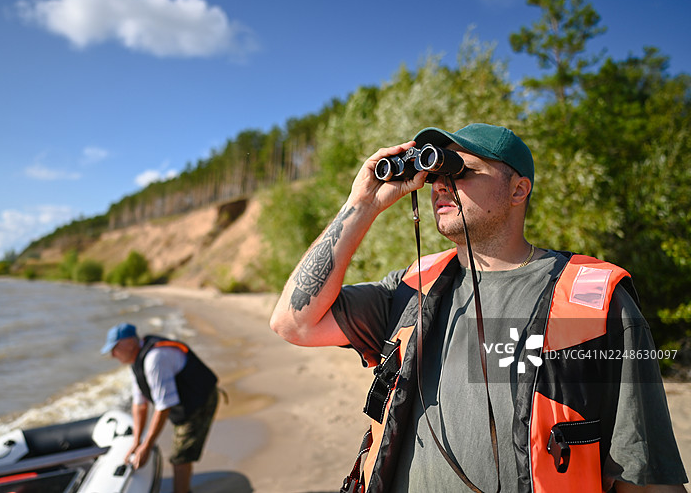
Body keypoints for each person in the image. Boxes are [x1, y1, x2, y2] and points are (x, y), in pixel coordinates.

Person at [270, 123, 688, 492]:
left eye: (459, 170)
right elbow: (294, 323)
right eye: (433, 173)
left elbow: (645, 475)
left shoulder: (594, 300)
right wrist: (361, 205)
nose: (439, 184)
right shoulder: (410, 290)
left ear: (518, 190)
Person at [102, 323, 219, 493]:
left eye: (114, 349)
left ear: (128, 344)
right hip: (184, 398)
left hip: (200, 399)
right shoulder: (137, 360)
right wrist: (137, 442)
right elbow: (139, 404)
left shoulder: (154, 359)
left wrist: (147, 446)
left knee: (180, 457)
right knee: (180, 449)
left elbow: (163, 407)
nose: (113, 355)